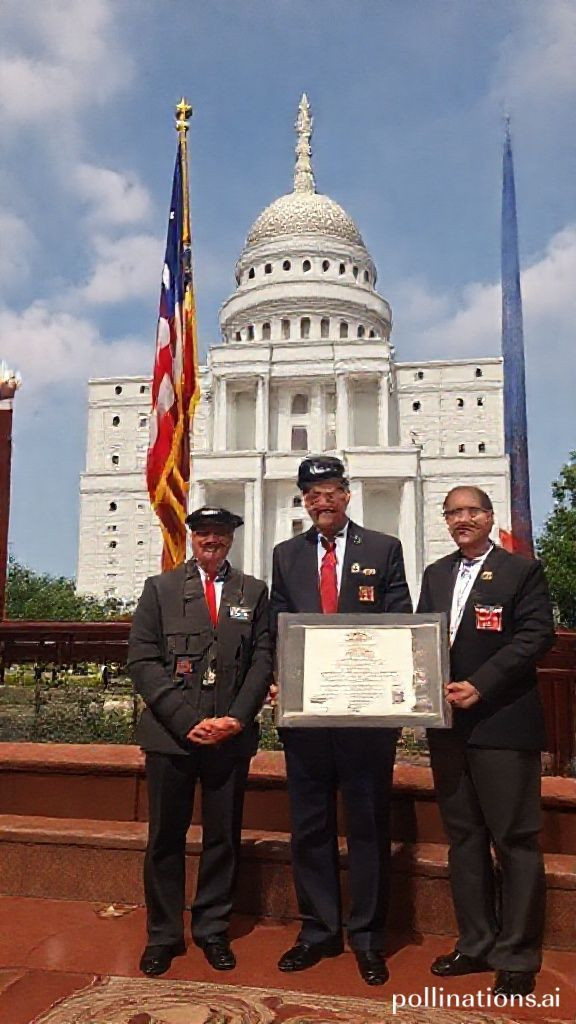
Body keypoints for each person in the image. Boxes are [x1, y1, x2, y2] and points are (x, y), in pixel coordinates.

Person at [270, 455, 412, 986]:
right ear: (304, 501)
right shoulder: (287, 555)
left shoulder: (383, 548)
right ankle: (318, 930)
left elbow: (400, 619)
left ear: (346, 495)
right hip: (306, 713)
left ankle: (369, 937)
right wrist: (277, 677)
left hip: (365, 713)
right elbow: (275, 622)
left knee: (368, 823)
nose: (320, 501)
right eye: (311, 494)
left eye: (329, 491)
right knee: (310, 825)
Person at [417, 486, 555, 998]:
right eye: (454, 512)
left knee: (515, 841)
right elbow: (422, 638)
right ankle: (475, 942)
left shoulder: (521, 571)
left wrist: (483, 683)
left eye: (471, 510)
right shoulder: (435, 575)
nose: (462, 519)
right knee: (464, 839)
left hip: (502, 723)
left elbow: (535, 635)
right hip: (448, 726)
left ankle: (517, 955)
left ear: (490, 517)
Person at [128, 506, 272, 977]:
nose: (212, 540)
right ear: (192, 538)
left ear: (231, 540)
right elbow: (143, 660)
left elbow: (263, 659)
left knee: (222, 837)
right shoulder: (161, 589)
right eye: (204, 533)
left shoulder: (252, 591)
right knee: (165, 838)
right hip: (173, 737)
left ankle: (212, 929)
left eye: (221, 534)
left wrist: (236, 718)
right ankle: (164, 934)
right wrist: (187, 719)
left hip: (230, 737)